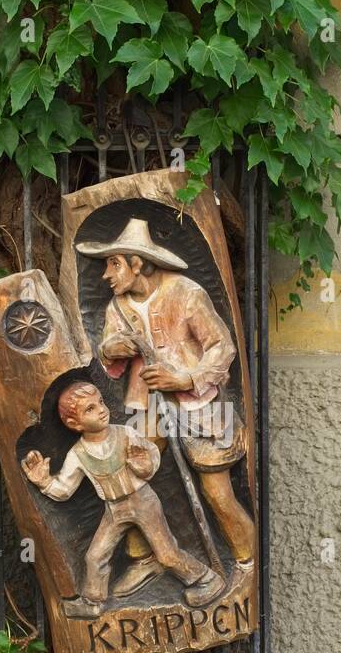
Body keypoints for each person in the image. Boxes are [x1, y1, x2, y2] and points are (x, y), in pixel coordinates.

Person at [76, 217, 255, 596]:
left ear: (138, 263)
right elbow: (110, 357)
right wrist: (113, 350)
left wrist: (185, 379)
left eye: (114, 264)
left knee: (217, 493)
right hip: (146, 407)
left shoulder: (187, 294)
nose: (107, 274)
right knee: (131, 477)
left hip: (203, 407)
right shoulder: (117, 306)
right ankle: (145, 557)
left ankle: (246, 565)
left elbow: (223, 348)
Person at [21, 381, 224, 619]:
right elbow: (65, 489)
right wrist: (44, 482)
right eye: (90, 409)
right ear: (74, 424)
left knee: (166, 553)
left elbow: (151, 456)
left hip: (142, 501)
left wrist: (144, 465)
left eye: (101, 402)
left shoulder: (126, 434)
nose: (101, 409)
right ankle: (93, 601)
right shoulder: (78, 454)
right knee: (95, 556)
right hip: (114, 509)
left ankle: (206, 580)